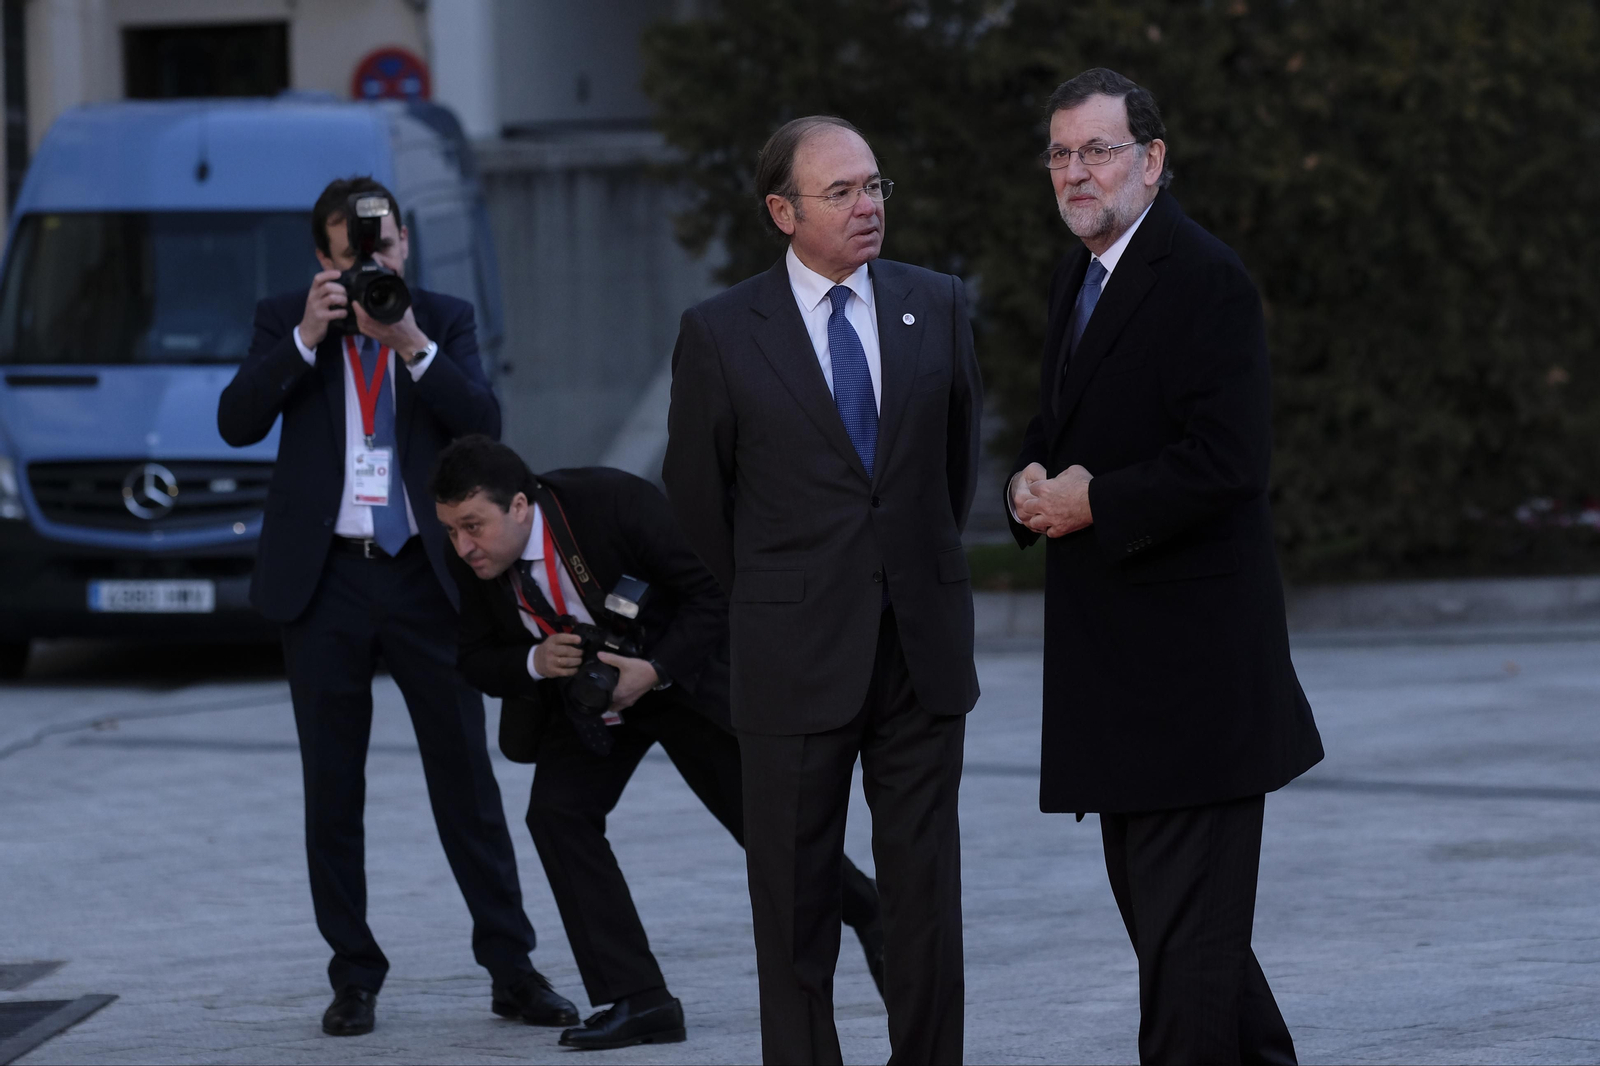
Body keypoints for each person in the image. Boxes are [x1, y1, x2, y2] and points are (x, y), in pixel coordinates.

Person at [1005, 69, 1325, 1064]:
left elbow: (1230, 462)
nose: (1075, 171)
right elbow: (1069, 423)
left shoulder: (1202, 276)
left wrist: (1092, 498)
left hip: (1194, 691)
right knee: (1185, 948)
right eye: (1060, 153)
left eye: (1097, 150)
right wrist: (1027, 476)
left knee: (1183, 976)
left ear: (1151, 158)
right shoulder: (1081, 272)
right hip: (1119, 689)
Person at [217, 176, 575, 1037]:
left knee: (466, 782)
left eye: (383, 248)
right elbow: (235, 421)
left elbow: (485, 421)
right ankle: (354, 975)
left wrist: (408, 338)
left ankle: (512, 968)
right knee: (332, 790)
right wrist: (307, 336)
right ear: (323, 259)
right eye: (352, 254)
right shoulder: (286, 318)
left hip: (424, 579)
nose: (371, 265)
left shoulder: (440, 319)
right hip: (326, 581)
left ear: (404, 244)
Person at [664, 115, 982, 1065]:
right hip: (791, 658)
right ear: (782, 211)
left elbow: (948, 475)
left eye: (875, 186)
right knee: (796, 912)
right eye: (841, 192)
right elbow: (697, 501)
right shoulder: (720, 334)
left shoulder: (940, 304)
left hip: (918, 656)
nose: (868, 206)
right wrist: (779, 591)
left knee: (926, 905)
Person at [430, 436, 887, 1052]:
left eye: (472, 527)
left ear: (517, 505)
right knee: (557, 815)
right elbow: (475, 659)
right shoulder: (479, 560)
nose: (462, 547)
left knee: (764, 830)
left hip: (681, 678)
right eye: (452, 531)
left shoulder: (609, 501)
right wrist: (535, 661)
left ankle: (870, 912)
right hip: (587, 698)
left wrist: (657, 668)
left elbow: (713, 590)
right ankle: (641, 1000)